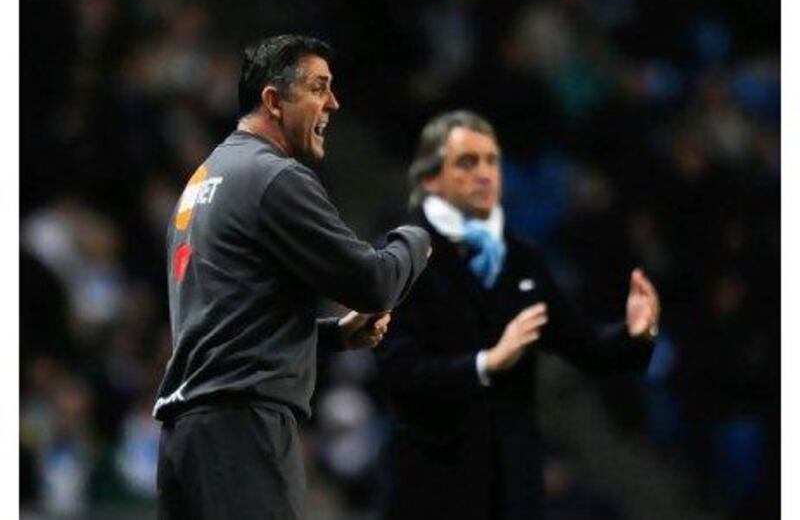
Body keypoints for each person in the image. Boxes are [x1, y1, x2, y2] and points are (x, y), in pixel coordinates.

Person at [153, 35, 431, 520]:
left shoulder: (203, 182)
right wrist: (420, 236)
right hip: (243, 436)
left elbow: (222, 326)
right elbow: (373, 282)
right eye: (319, 87)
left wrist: (334, 337)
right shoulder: (272, 177)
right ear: (272, 102)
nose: (334, 102)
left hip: (187, 440)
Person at [374, 110, 660, 520]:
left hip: (510, 480)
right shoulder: (401, 259)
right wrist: (485, 363)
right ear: (430, 180)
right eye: (467, 163)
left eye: (491, 161)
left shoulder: (521, 258)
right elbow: (400, 376)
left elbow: (583, 344)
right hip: (432, 481)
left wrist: (635, 333)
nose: (485, 174)